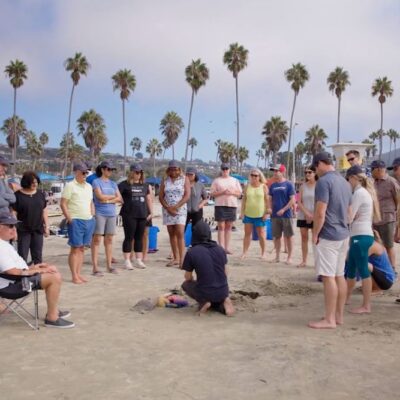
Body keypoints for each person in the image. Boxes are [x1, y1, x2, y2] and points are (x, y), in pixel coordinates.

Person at [0, 211, 74, 328]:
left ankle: (53, 310)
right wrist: (34, 271)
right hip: (12, 286)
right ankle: (52, 317)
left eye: (14, 225)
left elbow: (14, 269)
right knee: (54, 277)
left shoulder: (4, 244)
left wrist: (34, 268)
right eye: (10, 226)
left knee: (51, 270)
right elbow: (12, 272)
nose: (14, 229)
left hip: (17, 280)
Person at [308, 152, 352, 329]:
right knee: (339, 275)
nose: (315, 171)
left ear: (319, 164)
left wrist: (316, 233)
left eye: (315, 168)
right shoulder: (344, 181)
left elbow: (320, 212)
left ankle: (329, 319)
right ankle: (338, 316)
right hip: (343, 233)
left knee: (328, 277)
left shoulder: (324, 182)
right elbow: (349, 212)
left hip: (329, 234)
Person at [345, 165, 381, 314]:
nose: (348, 183)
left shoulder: (359, 193)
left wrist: (346, 213)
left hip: (361, 236)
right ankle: (346, 298)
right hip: (359, 235)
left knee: (363, 270)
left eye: (348, 180)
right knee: (352, 269)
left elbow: (349, 217)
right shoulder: (363, 192)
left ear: (353, 177)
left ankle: (366, 306)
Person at [181, 220, 235, 316]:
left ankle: (204, 303)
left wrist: (196, 280)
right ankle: (224, 301)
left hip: (205, 290)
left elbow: (188, 277)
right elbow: (225, 272)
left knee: (186, 285)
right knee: (216, 296)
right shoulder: (220, 249)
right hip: (223, 290)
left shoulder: (192, 252)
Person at [60, 162, 95, 284]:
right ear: (76, 172)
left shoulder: (89, 186)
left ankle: (79, 274)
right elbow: (63, 203)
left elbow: (90, 202)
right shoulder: (70, 186)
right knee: (75, 249)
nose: (86, 174)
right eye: (83, 172)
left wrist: (92, 215)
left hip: (88, 220)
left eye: (87, 172)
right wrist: (69, 219)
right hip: (76, 220)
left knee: (82, 249)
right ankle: (74, 275)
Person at [118, 164, 153, 269]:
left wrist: (151, 212)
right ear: (132, 172)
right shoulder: (124, 184)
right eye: (137, 172)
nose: (139, 174)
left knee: (139, 238)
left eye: (141, 172)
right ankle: (127, 260)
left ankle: (139, 259)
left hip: (142, 214)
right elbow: (117, 195)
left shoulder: (145, 185)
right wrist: (120, 201)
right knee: (129, 237)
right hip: (129, 214)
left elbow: (148, 199)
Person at [91, 161, 122, 275]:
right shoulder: (96, 182)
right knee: (97, 240)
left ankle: (109, 266)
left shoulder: (113, 183)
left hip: (111, 214)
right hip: (100, 213)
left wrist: (107, 199)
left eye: (111, 169)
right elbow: (99, 197)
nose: (110, 171)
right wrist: (113, 197)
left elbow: (120, 198)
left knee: (109, 240)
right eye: (108, 169)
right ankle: (95, 267)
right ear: (103, 169)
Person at [12, 171, 49, 265]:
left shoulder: (40, 194)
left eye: (36, 182)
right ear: (26, 182)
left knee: (38, 256)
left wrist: (47, 226)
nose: (35, 184)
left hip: (38, 230)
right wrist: (14, 229)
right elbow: (13, 213)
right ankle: (22, 277)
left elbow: (44, 211)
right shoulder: (17, 196)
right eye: (32, 182)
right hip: (23, 230)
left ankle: (38, 277)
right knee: (22, 256)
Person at [159, 160, 190, 268]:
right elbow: (160, 196)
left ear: (179, 169)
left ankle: (182, 260)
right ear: (168, 169)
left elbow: (187, 195)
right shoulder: (165, 180)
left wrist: (175, 207)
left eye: (175, 168)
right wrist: (168, 208)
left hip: (180, 209)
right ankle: (175, 258)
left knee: (180, 233)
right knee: (171, 233)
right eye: (171, 168)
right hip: (167, 210)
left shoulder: (184, 179)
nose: (173, 171)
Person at [371, 160, 399, 269]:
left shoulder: (391, 182)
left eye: (372, 169)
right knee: (377, 247)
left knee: (389, 246)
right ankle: (382, 269)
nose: (371, 172)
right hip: (375, 220)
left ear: (378, 170)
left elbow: (398, 201)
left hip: (388, 220)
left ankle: (392, 269)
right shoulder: (372, 182)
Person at [210, 163, 242, 254]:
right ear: (221, 170)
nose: (225, 170)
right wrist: (222, 192)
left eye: (226, 169)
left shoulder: (235, 180)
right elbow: (212, 193)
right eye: (223, 169)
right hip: (220, 205)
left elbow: (239, 193)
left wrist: (231, 192)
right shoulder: (216, 181)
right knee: (221, 226)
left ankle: (227, 247)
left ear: (229, 170)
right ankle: (221, 247)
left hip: (231, 205)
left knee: (229, 227)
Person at [240, 168, 270, 259]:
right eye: (252, 175)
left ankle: (263, 253)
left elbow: (267, 201)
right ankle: (244, 253)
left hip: (260, 214)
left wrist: (266, 213)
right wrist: (242, 212)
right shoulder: (247, 186)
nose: (253, 177)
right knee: (247, 234)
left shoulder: (263, 186)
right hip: (248, 214)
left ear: (259, 176)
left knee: (261, 234)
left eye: (256, 175)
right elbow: (244, 200)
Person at [268, 164, 295, 264]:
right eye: (274, 171)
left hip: (286, 215)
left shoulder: (288, 184)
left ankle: (289, 257)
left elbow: (292, 200)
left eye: (277, 171)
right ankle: (277, 257)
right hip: (275, 215)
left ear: (282, 172)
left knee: (288, 236)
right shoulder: (273, 185)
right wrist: (269, 208)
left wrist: (284, 209)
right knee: (277, 237)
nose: (275, 173)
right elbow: (270, 199)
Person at [296, 165, 317, 267]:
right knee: (304, 238)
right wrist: (306, 213)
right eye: (306, 172)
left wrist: (313, 215)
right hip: (303, 215)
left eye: (310, 172)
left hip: (316, 215)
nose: (308, 174)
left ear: (315, 173)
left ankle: (317, 261)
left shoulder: (319, 185)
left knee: (315, 238)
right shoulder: (303, 186)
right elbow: (299, 202)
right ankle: (304, 260)